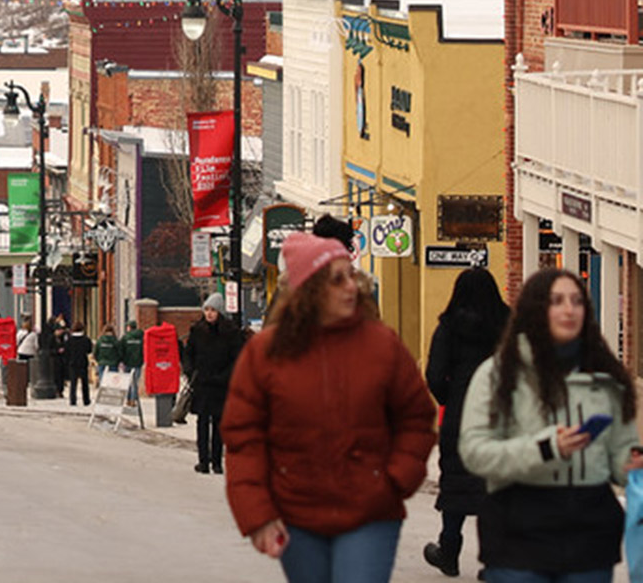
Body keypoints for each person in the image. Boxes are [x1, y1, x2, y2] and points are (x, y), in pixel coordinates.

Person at [222, 232, 436, 582]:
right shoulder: (265, 355)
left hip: (370, 513)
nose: (350, 287)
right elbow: (244, 439)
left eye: (351, 275)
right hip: (297, 515)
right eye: (336, 279)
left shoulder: (382, 345)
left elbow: (415, 418)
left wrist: (395, 479)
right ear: (309, 289)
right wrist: (257, 515)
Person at [458, 267, 640, 582]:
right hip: (518, 531)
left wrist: (630, 463)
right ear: (535, 309)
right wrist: (545, 447)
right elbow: (475, 452)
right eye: (557, 301)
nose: (569, 309)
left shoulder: (606, 380)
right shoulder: (498, 374)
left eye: (576, 301)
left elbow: (618, 456)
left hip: (591, 536)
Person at [420, 266, 510, 577]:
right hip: (500, 414)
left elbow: (433, 374)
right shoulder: (508, 324)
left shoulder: (449, 327)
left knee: (457, 483)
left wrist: (449, 397)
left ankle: (449, 550)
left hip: (461, 413)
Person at [184, 292, 243, 473]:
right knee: (202, 422)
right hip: (202, 383)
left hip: (221, 385)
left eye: (213, 310)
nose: (209, 313)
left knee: (219, 423)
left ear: (220, 312)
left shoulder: (231, 333)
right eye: (207, 310)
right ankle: (203, 460)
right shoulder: (197, 331)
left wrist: (225, 376)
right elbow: (188, 354)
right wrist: (191, 371)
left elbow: (237, 359)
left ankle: (217, 461)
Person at [64, 320, 93, 406]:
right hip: (83, 362)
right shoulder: (86, 339)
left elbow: (66, 352)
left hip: (73, 363)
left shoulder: (69, 340)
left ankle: (73, 400)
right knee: (85, 382)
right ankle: (86, 400)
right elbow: (89, 350)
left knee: (73, 383)